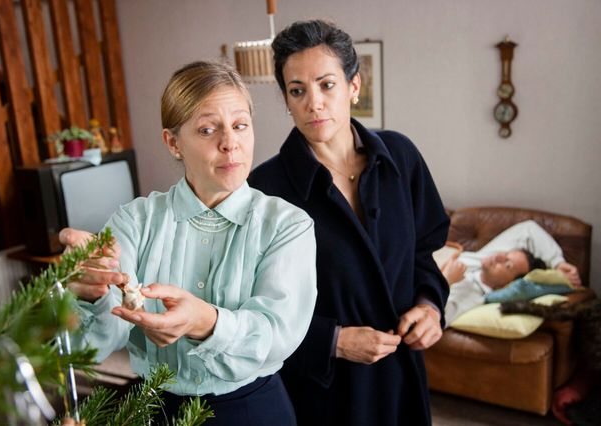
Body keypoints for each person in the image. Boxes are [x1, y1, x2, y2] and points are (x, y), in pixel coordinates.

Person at [61, 61, 317, 425]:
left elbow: (277, 334)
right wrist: (92, 292)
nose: (230, 143)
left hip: (252, 411)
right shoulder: (134, 222)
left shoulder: (287, 225)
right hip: (152, 410)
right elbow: (96, 343)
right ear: (173, 143)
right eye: (208, 129)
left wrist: (206, 322)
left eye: (240, 125)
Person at [247, 20, 449, 425]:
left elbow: (423, 253)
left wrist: (430, 307)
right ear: (286, 99)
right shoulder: (265, 189)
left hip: (403, 378)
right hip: (324, 391)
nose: (314, 103)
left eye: (327, 85)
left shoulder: (401, 156)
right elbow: (251, 311)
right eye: (297, 91)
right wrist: (333, 341)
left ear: (354, 86)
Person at [440, 219, 582, 325]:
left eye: (508, 265)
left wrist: (446, 280)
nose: (499, 257)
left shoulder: (472, 295)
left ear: (506, 285)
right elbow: (528, 229)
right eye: (506, 254)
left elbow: (438, 319)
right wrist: (558, 263)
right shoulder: (481, 259)